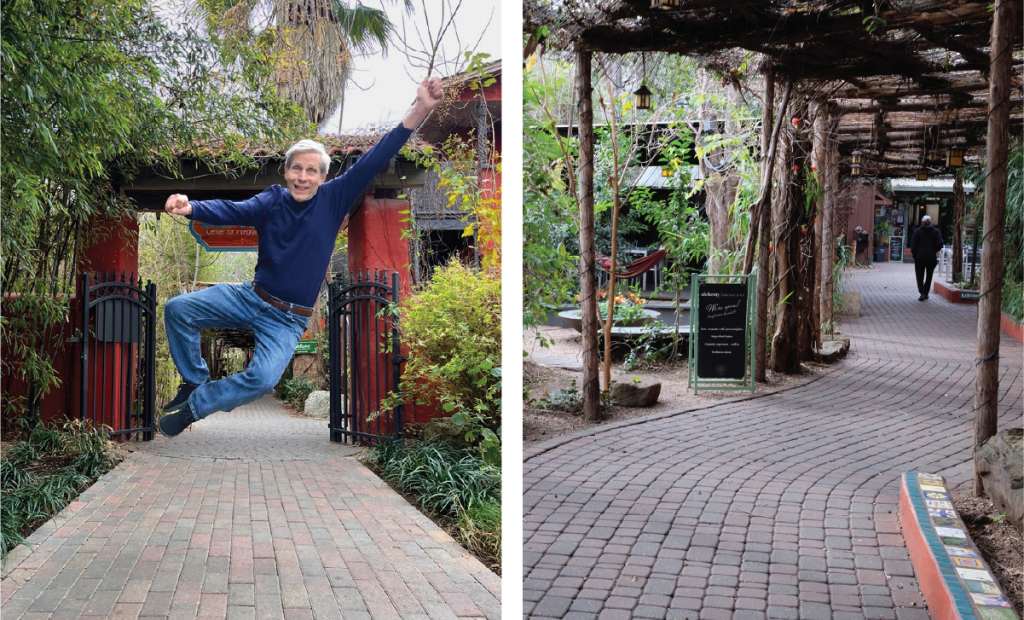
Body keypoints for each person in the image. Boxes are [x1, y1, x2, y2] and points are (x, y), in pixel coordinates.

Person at [157, 77, 444, 437]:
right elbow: (233, 209)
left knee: (262, 379)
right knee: (178, 308)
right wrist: (192, 206)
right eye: (297, 169)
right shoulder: (272, 200)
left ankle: (196, 406)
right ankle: (192, 381)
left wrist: (419, 109)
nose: (303, 177)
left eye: (311, 171)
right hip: (251, 298)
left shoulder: (334, 198)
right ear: (286, 172)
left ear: (323, 177)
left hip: (287, 320)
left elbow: (376, 158)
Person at [910, 214, 944, 301]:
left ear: (922, 222)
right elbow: (940, 243)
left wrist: (915, 254)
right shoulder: (936, 231)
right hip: (931, 257)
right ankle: (926, 292)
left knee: (919, 276)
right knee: (929, 276)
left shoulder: (917, 231)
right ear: (930, 222)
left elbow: (913, 244)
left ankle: (922, 292)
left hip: (919, 257)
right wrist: (934, 250)